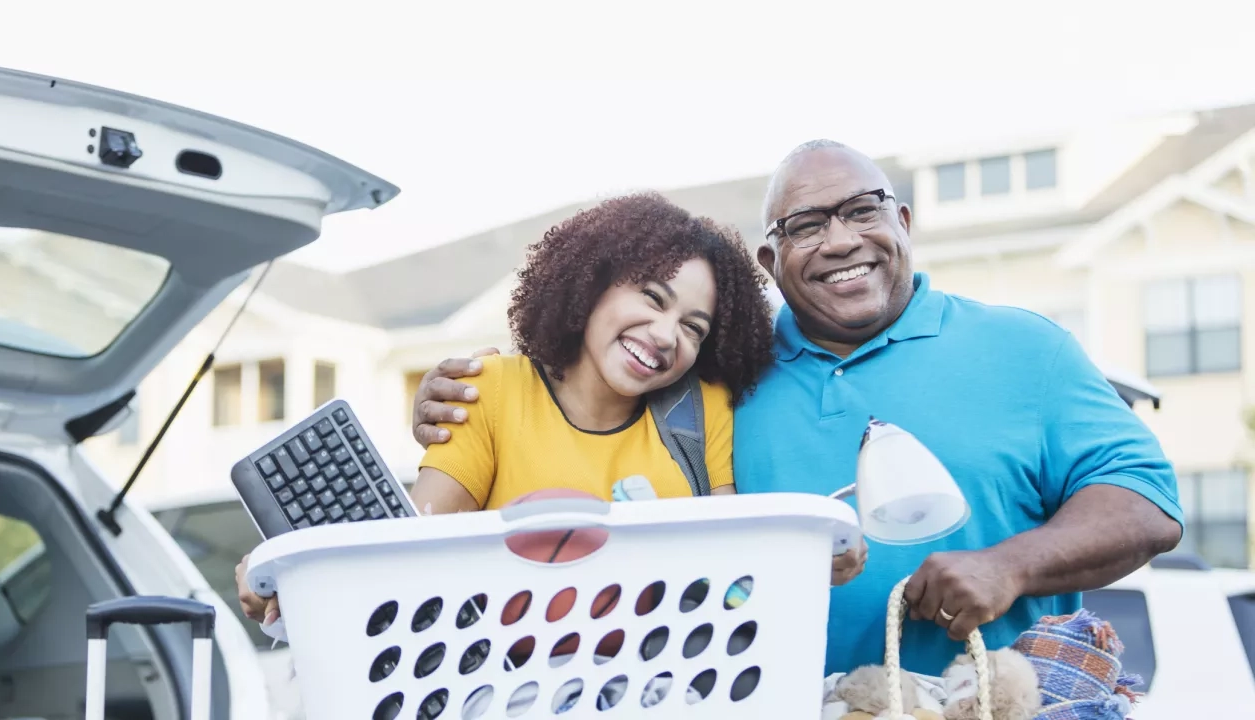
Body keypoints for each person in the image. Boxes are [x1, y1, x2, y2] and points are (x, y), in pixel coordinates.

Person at [409, 140, 1184, 678]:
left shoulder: (1025, 348)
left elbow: (1147, 504)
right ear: (772, 263)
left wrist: (1008, 566)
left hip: (981, 703)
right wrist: (461, 396)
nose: (841, 240)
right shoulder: (722, 376)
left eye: (863, 210)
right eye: (806, 225)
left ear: (904, 224)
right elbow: (596, 390)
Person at [235, 191, 777, 626]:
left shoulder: (702, 410)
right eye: (653, 298)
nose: (665, 335)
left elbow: (726, 576)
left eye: (693, 328)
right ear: (594, 285)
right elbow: (409, 553)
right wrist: (287, 578)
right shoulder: (489, 390)